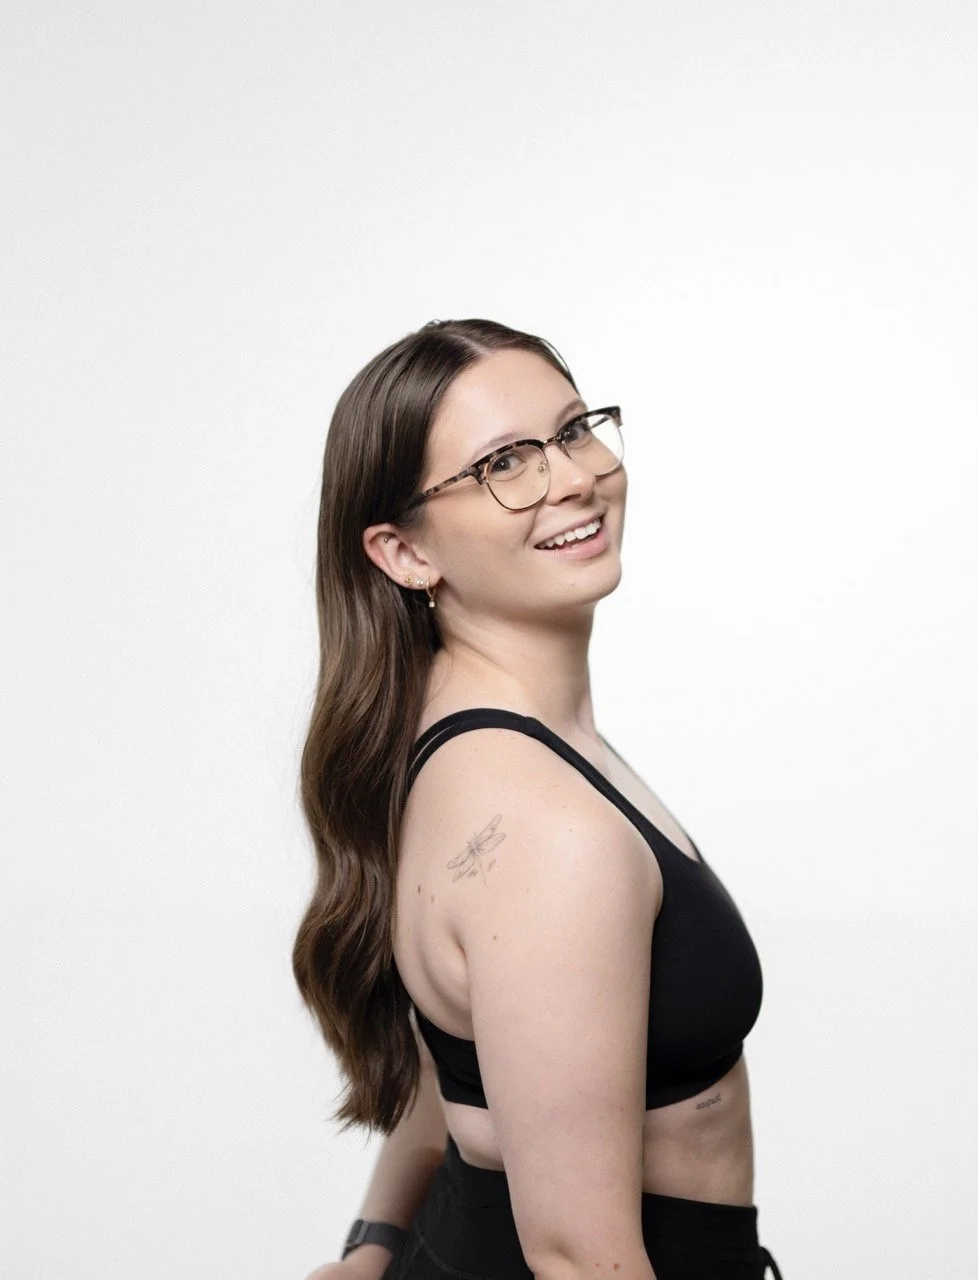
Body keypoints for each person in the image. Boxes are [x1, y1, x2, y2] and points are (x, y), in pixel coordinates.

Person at [294, 319, 783, 1280]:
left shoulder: (456, 736)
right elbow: (573, 1256)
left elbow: (475, 1068)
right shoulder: (540, 831)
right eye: (504, 464)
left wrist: (375, 1241)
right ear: (404, 553)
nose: (571, 478)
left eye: (572, 431)